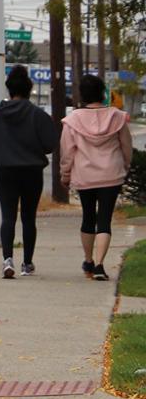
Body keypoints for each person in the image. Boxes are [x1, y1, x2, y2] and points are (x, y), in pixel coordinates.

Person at [0, 65, 59, 278]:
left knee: (8, 216)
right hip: (32, 172)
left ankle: (8, 259)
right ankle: (27, 263)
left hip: (5, 170)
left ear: (9, 89)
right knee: (28, 217)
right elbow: (50, 144)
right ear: (28, 89)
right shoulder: (38, 115)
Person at [60, 74, 133, 281]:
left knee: (88, 217)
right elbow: (126, 146)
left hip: (85, 175)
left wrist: (65, 175)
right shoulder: (117, 117)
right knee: (104, 220)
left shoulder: (72, 121)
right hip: (111, 174)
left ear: (82, 94)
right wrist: (125, 166)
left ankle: (88, 260)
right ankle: (100, 264)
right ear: (102, 93)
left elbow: (67, 152)